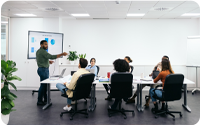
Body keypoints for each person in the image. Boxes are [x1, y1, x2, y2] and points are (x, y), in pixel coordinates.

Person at [36, 40, 67, 105]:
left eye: (47, 44)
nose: (47, 45)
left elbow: (41, 60)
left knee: (44, 85)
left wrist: (48, 62)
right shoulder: (42, 51)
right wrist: (62, 54)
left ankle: (45, 99)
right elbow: (51, 56)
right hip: (43, 70)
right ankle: (39, 100)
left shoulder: (39, 51)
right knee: (43, 85)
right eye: (45, 44)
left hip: (42, 69)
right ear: (41, 45)